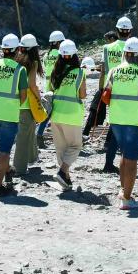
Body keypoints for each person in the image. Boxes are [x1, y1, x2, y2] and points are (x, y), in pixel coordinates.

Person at [106, 36, 138, 210]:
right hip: (136, 121)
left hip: (117, 120)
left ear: (125, 54)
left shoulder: (114, 71)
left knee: (124, 155)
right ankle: (127, 199)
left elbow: (107, 94)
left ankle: (123, 191)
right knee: (132, 160)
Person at [0, 33, 24, 197]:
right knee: (4, 152)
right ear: (17, 50)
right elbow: (23, 96)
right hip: (8, 115)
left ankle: (7, 169)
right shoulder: (19, 70)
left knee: (2, 146)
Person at [94, 16, 133, 174]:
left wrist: (101, 88)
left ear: (117, 30)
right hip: (129, 90)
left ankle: (109, 161)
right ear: (129, 31)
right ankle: (122, 160)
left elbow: (104, 69)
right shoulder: (132, 47)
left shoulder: (107, 48)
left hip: (110, 89)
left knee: (115, 122)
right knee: (126, 126)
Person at [47, 40, 87, 190]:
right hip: (72, 115)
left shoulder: (55, 72)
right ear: (74, 54)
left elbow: (49, 90)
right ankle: (63, 172)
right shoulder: (80, 72)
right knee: (75, 146)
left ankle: (66, 180)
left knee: (61, 149)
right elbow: (82, 95)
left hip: (56, 114)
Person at [12, 34, 42, 176]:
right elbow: (32, 85)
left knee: (29, 131)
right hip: (26, 103)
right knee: (24, 135)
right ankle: (19, 167)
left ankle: (32, 157)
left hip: (13, 101)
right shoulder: (33, 62)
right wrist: (39, 98)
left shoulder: (15, 59)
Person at [35, 30, 64, 141]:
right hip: (57, 86)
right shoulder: (61, 54)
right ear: (57, 43)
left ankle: (39, 134)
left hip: (47, 87)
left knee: (48, 112)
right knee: (58, 112)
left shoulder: (46, 55)